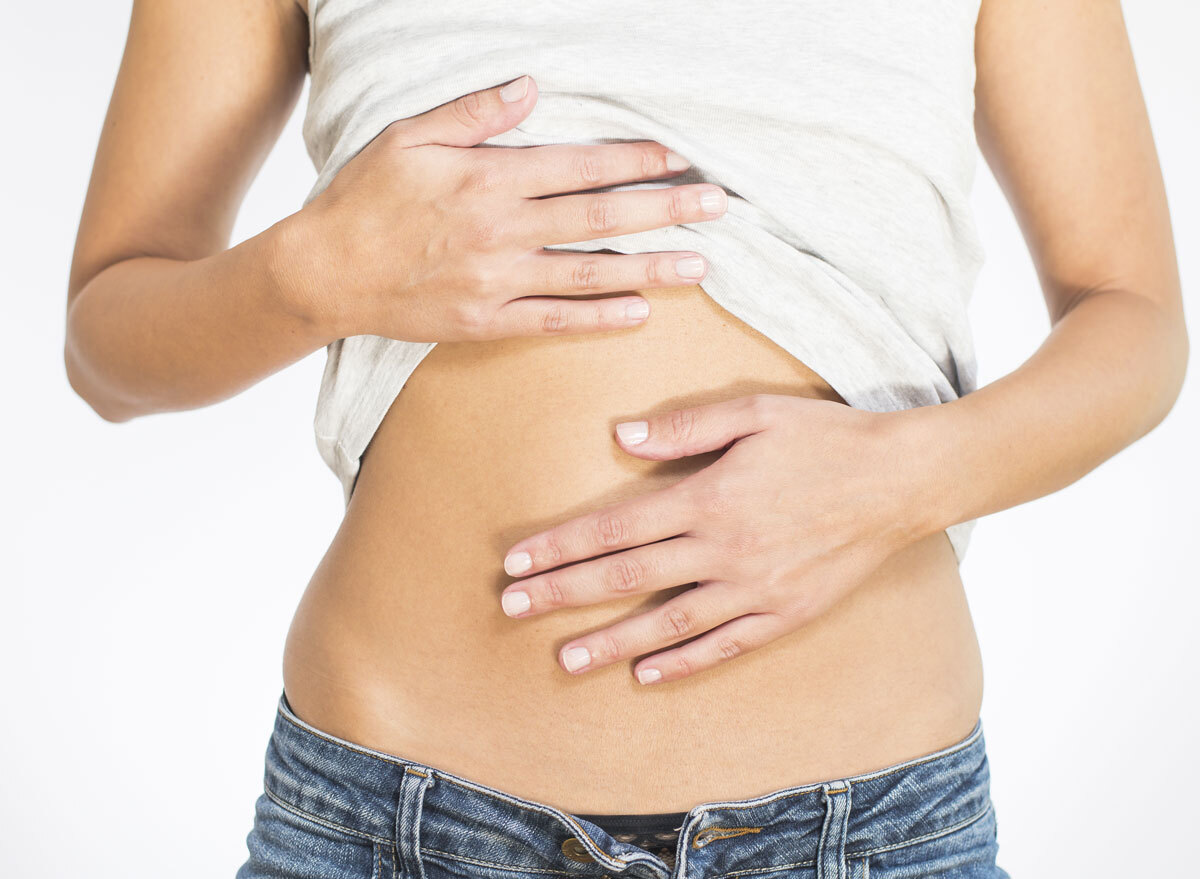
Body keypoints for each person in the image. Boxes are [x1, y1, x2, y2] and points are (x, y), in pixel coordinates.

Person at [64, 1, 1187, 877]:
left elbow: (1134, 319)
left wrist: (905, 478)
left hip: (870, 830)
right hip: (391, 820)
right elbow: (107, 344)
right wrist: (315, 271)